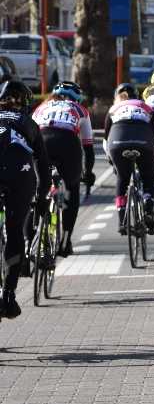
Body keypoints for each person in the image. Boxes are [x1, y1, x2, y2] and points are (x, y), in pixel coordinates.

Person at [0, 80, 51, 318]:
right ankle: (9, 295)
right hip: (18, 174)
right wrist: (41, 198)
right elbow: (42, 163)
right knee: (14, 230)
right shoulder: (29, 123)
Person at [31, 81, 95, 257]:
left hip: (42, 140)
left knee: (34, 187)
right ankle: (65, 241)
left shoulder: (41, 107)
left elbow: (29, 133)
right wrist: (88, 174)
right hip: (68, 144)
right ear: (77, 98)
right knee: (72, 189)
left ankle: (31, 235)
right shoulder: (80, 109)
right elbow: (88, 146)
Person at [104, 83, 154, 235]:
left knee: (122, 178)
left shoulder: (113, 109)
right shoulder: (146, 107)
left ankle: (121, 220)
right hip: (143, 141)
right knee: (148, 178)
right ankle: (148, 203)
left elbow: (106, 140)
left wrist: (112, 161)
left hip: (117, 143)